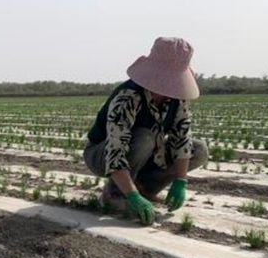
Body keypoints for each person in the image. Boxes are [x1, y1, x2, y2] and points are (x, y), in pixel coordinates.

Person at [83, 37, 208, 225]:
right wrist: (131, 196)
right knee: (144, 137)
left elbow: (182, 140)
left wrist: (181, 181)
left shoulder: (177, 99)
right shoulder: (128, 96)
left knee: (198, 150)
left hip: (147, 152)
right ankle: (116, 194)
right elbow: (115, 150)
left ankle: (145, 190)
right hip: (102, 154)